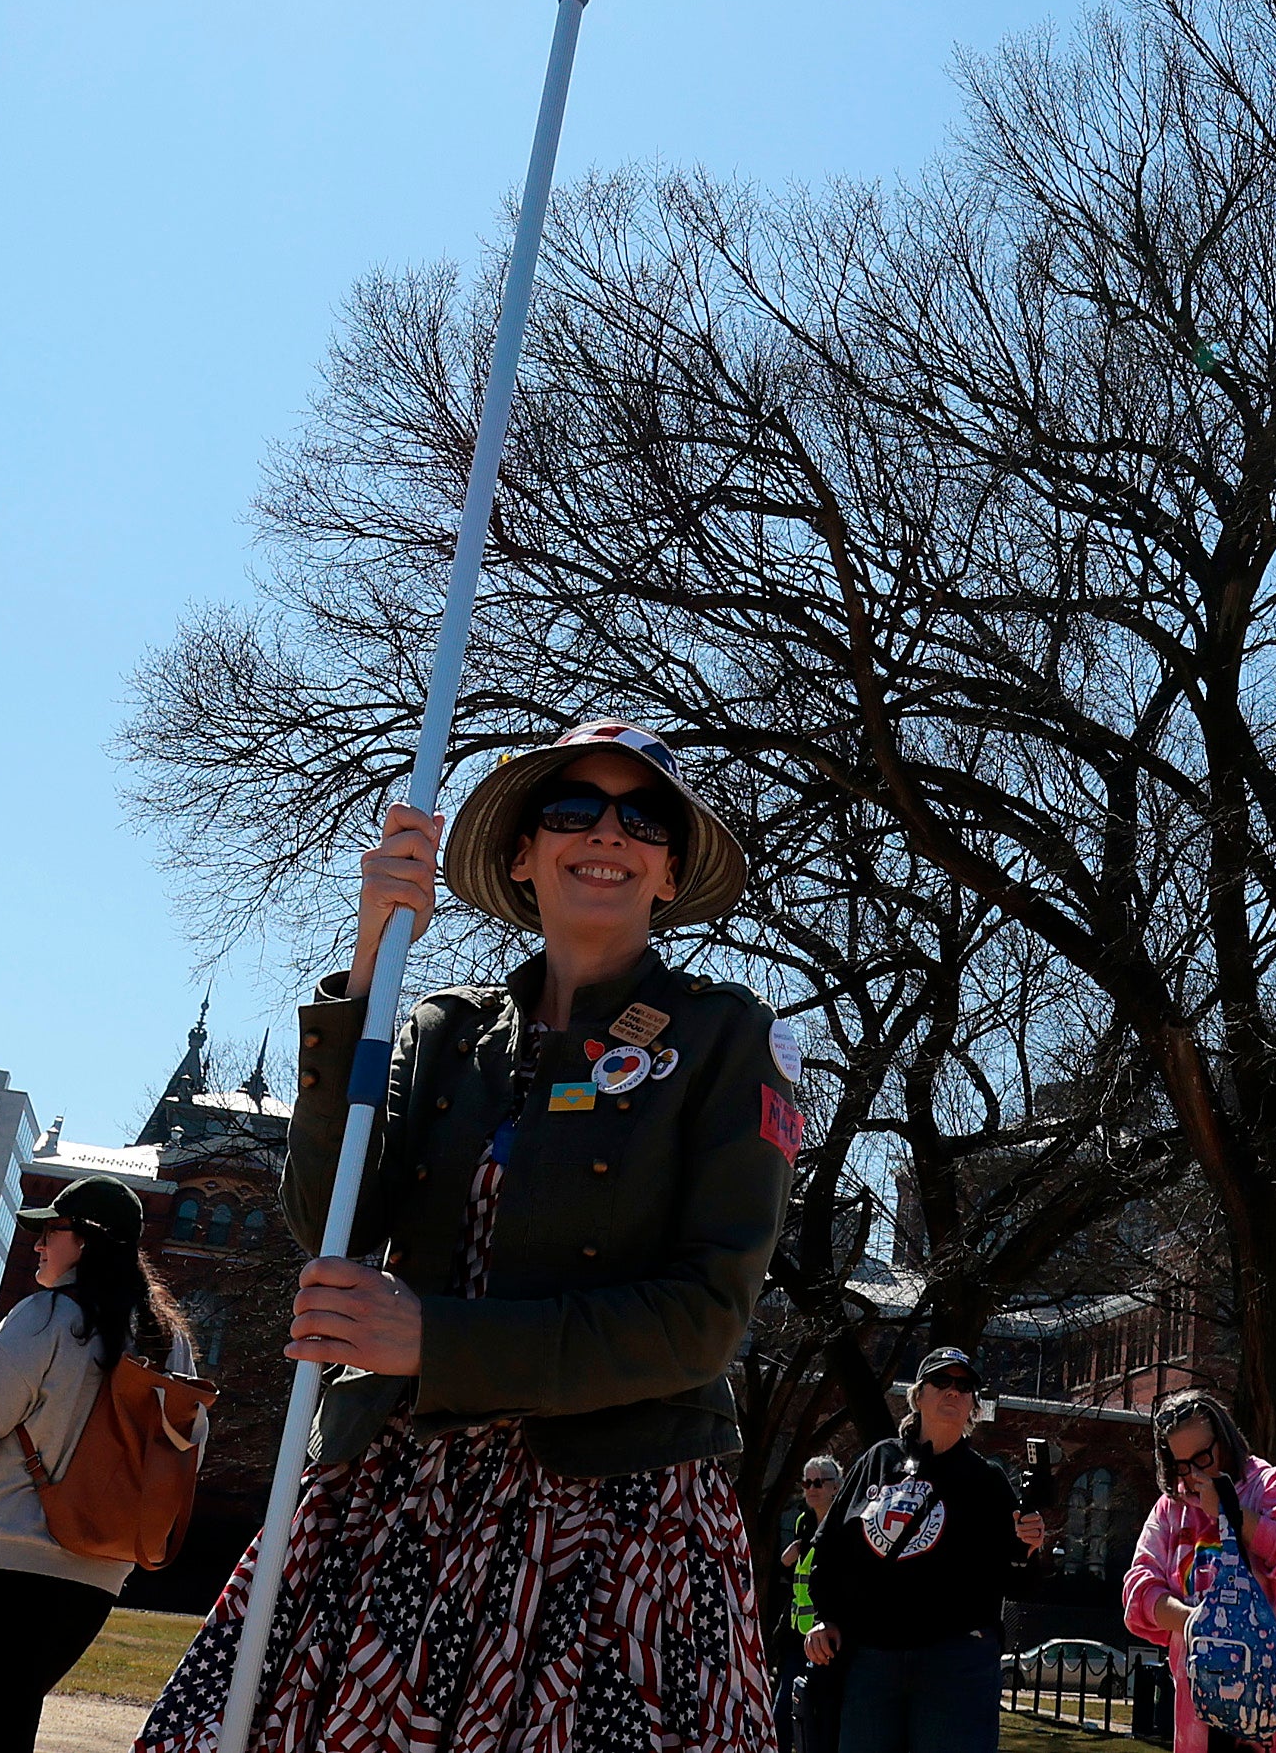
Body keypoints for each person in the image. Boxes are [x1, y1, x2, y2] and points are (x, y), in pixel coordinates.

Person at [132, 720, 793, 1753]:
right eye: (572, 808)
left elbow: (703, 1325)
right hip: (391, 1503)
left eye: (644, 816)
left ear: (672, 868)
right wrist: (364, 967)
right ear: (523, 856)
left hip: (611, 1517)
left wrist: (431, 1338)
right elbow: (333, 1221)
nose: (607, 832)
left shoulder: (728, 1037)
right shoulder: (441, 1029)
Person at [0, 1172, 202, 1753]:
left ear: (86, 1240)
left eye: (53, 1230)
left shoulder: (46, 1316)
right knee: (8, 1721)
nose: (40, 1244)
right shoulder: (170, 1343)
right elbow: (182, 1452)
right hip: (96, 1570)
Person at [817, 1346, 1052, 1753]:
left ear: (973, 1406)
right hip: (873, 1658)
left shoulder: (988, 1480)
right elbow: (831, 1548)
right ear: (918, 1396)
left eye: (965, 1386)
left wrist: (1030, 1548)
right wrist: (825, 1619)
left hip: (956, 1664)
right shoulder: (877, 1460)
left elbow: (1016, 1580)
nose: (953, 1392)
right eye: (941, 1381)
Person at [1129, 1390, 1276, 1753]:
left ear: (1225, 1439)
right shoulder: (1171, 1508)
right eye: (1181, 1465)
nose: (1193, 1474)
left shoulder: (1274, 1485)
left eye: (1202, 1457)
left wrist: (1230, 1512)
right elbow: (1138, 1591)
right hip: (1205, 1719)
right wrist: (1194, 1621)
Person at [782, 1456, 848, 1753]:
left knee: (819, 1716)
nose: (811, 1488)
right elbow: (794, 1574)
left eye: (819, 1482)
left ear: (836, 1486)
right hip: (798, 1634)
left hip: (828, 1642)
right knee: (785, 1708)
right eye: (806, 1482)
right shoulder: (802, 1522)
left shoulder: (846, 1523)